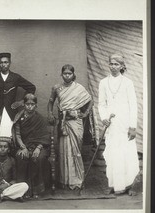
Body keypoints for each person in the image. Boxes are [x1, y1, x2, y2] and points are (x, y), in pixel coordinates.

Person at [98, 53, 139, 195]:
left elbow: (133, 105)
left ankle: (129, 185)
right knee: (112, 153)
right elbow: (101, 104)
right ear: (108, 64)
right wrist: (103, 118)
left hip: (125, 123)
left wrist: (133, 127)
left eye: (116, 64)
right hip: (111, 124)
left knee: (126, 153)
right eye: (111, 63)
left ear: (122, 66)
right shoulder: (103, 82)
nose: (113, 66)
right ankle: (114, 184)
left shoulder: (128, 82)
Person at [47, 64, 93, 190]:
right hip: (63, 123)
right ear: (61, 74)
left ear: (73, 74)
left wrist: (85, 113)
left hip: (75, 122)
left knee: (75, 150)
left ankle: (77, 180)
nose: (67, 75)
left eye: (69, 73)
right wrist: (50, 114)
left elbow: (90, 100)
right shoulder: (56, 88)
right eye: (65, 73)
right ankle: (64, 180)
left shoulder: (79, 88)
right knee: (64, 150)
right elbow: (50, 103)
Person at [0, 52, 36, 139]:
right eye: (1, 62)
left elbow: (31, 88)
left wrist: (22, 102)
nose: (3, 65)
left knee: (10, 134)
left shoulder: (15, 77)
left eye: (6, 62)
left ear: (10, 63)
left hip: (10, 111)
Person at [13, 93, 50, 198]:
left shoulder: (40, 119)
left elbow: (44, 136)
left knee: (39, 158)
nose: (30, 106)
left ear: (36, 105)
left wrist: (38, 148)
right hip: (24, 145)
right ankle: (22, 189)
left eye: (32, 104)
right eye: (27, 104)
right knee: (21, 156)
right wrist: (23, 147)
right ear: (24, 105)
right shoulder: (19, 117)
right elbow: (17, 134)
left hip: (40, 146)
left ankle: (36, 190)